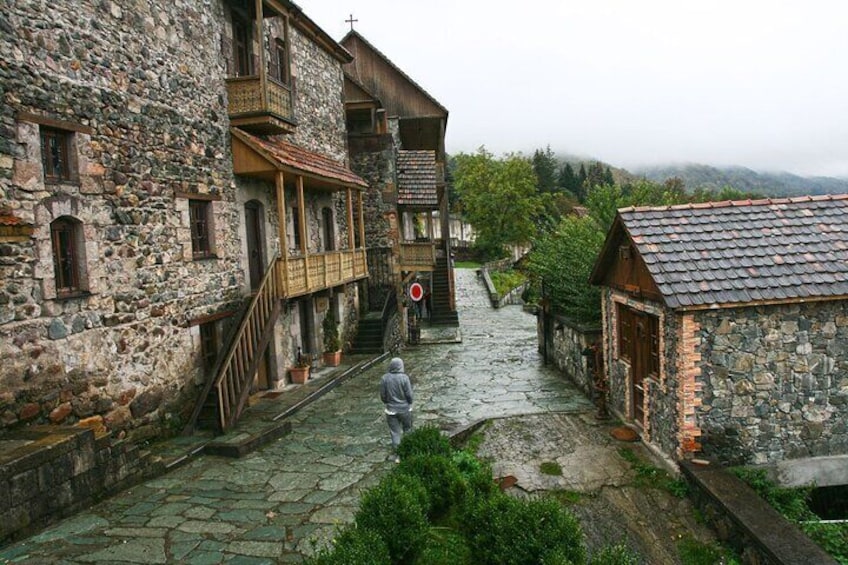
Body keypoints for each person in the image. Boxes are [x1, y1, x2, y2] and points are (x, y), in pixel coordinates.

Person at [379, 357, 413, 462]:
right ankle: (408, 452)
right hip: (405, 409)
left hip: (391, 410)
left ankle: (397, 455)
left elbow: (383, 395)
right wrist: (409, 402)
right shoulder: (404, 378)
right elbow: (409, 395)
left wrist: (388, 403)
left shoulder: (384, 378)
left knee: (395, 432)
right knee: (407, 429)